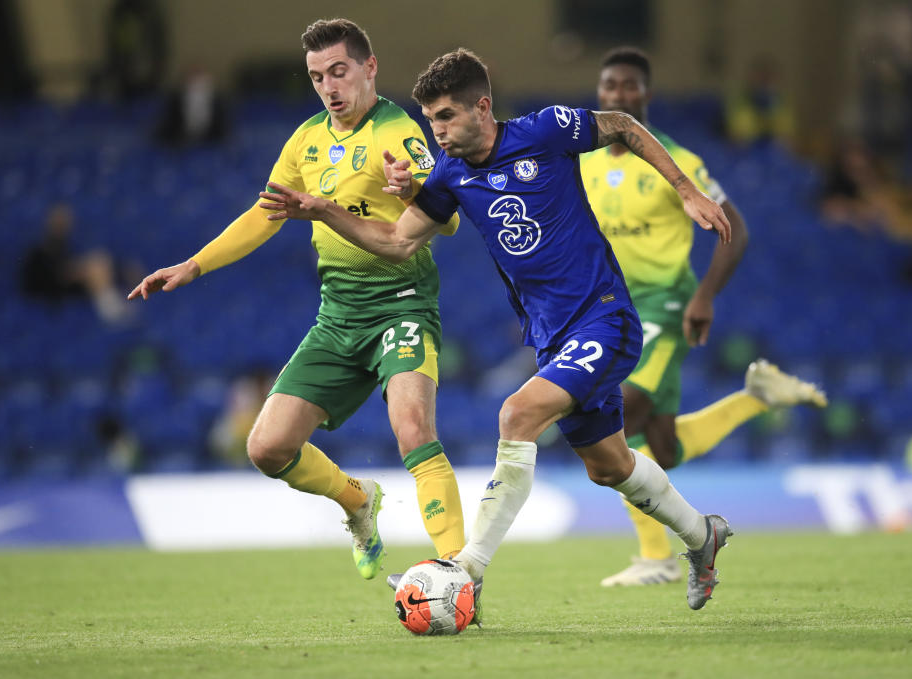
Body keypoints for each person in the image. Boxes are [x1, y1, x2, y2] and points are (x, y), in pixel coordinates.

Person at [260, 48, 734, 612]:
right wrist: (323, 210)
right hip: (552, 336)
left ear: (481, 108)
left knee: (516, 413)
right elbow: (396, 241)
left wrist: (685, 189)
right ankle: (703, 536)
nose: (433, 131)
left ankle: (466, 569)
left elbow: (625, 126)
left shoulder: (545, 130)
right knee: (610, 466)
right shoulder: (451, 174)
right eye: (429, 118)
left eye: (443, 117)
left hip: (604, 317)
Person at [128, 19, 467, 580]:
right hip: (337, 318)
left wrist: (410, 190)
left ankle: (460, 570)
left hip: (402, 305)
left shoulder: (397, 132)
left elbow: (447, 217)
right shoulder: (305, 141)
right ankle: (358, 500)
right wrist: (193, 264)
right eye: (317, 77)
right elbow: (264, 214)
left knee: (412, 427)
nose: (330, 87)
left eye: (339, 71)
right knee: (266, 448)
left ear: (369, 67)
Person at [581, 47, 828, 587]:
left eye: (629, 86)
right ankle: (756, 397)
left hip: (664, 304)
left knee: (610, 418)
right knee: (662, 447)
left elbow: (732, 223)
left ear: (643, 95)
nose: (618, 95)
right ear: (600, 94)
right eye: (610, 86)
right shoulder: (586, 162)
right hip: (611, 307)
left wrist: (704, 297)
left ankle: (655, 558)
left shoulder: (677, 160)